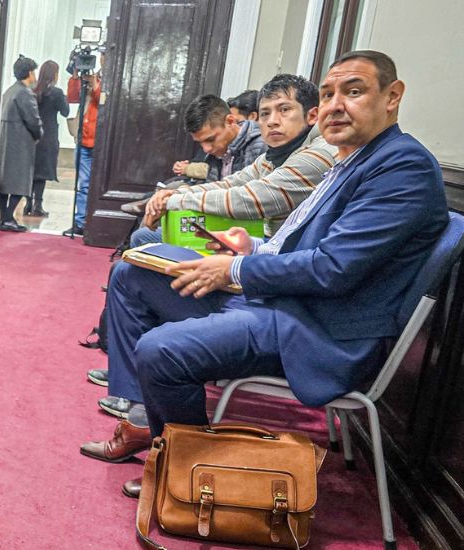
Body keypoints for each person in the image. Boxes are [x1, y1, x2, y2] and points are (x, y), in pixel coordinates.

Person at [81, 51, 447, 499]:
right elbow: (306, 246)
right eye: (329, 94)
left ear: (392, 97)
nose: (335, 106)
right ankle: (144, 417)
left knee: (161, 349)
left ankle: (190, 475)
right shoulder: (351, 158)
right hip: (282, 300)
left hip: (316, 328)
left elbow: (332, 269)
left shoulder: (402, 166)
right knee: (134, 272)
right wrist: (250, 248)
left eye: (353, 92)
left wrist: (234, 266)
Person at [88, 73, 338, 416]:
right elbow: (232, 183)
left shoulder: (320, 154)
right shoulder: (279, 153)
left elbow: (254, 198)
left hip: (280, 295)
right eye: (265, 113)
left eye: (284, 110)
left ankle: (140, 385)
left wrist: (176, 200)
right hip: (264, 260)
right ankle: (132, 380)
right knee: (134, 263)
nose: (272, 121)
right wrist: (176, 193)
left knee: (140, 264)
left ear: (312, 115)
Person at [137, 94, 268, 246]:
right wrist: (177, 193)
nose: (206, 148)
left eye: (210, 139)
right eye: (200, 143)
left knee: (145, 239)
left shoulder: (260, 146)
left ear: (230, 121)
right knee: (141, 236)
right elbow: (217, 188)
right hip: (218, 221)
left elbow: (244, 200)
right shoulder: (217, 151)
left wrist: (176, 199)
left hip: (245, 231)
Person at [0, 55, 42, 232]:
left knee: (5, 181)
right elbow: (33, 119)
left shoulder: (10, 90)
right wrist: (39, 134)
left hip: (7, 139)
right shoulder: (25, 92)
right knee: (20, 180)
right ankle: (8, 218)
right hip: (20, 141)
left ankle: (4, 218)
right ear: (29, 73)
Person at [25, 60, 69, 217]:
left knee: (31, 171)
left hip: (31, 135)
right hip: (48, 136)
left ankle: (28, 203)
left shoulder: (31, 90)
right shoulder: (56, 93)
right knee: (42, 173)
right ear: (55, 75)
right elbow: (65, 112)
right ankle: (38, 205)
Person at [67, 56, 104, 237]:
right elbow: (72, 98)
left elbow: (101, 100)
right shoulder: (89, 77)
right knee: (83, 185)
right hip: (83, 139)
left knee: (95, 185)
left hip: (101, 140)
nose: (103, 59)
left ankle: (95, 221)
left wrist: (95, 83)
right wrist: (76, 76)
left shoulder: (110, 79)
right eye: (102, 55)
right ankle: (80, 221)